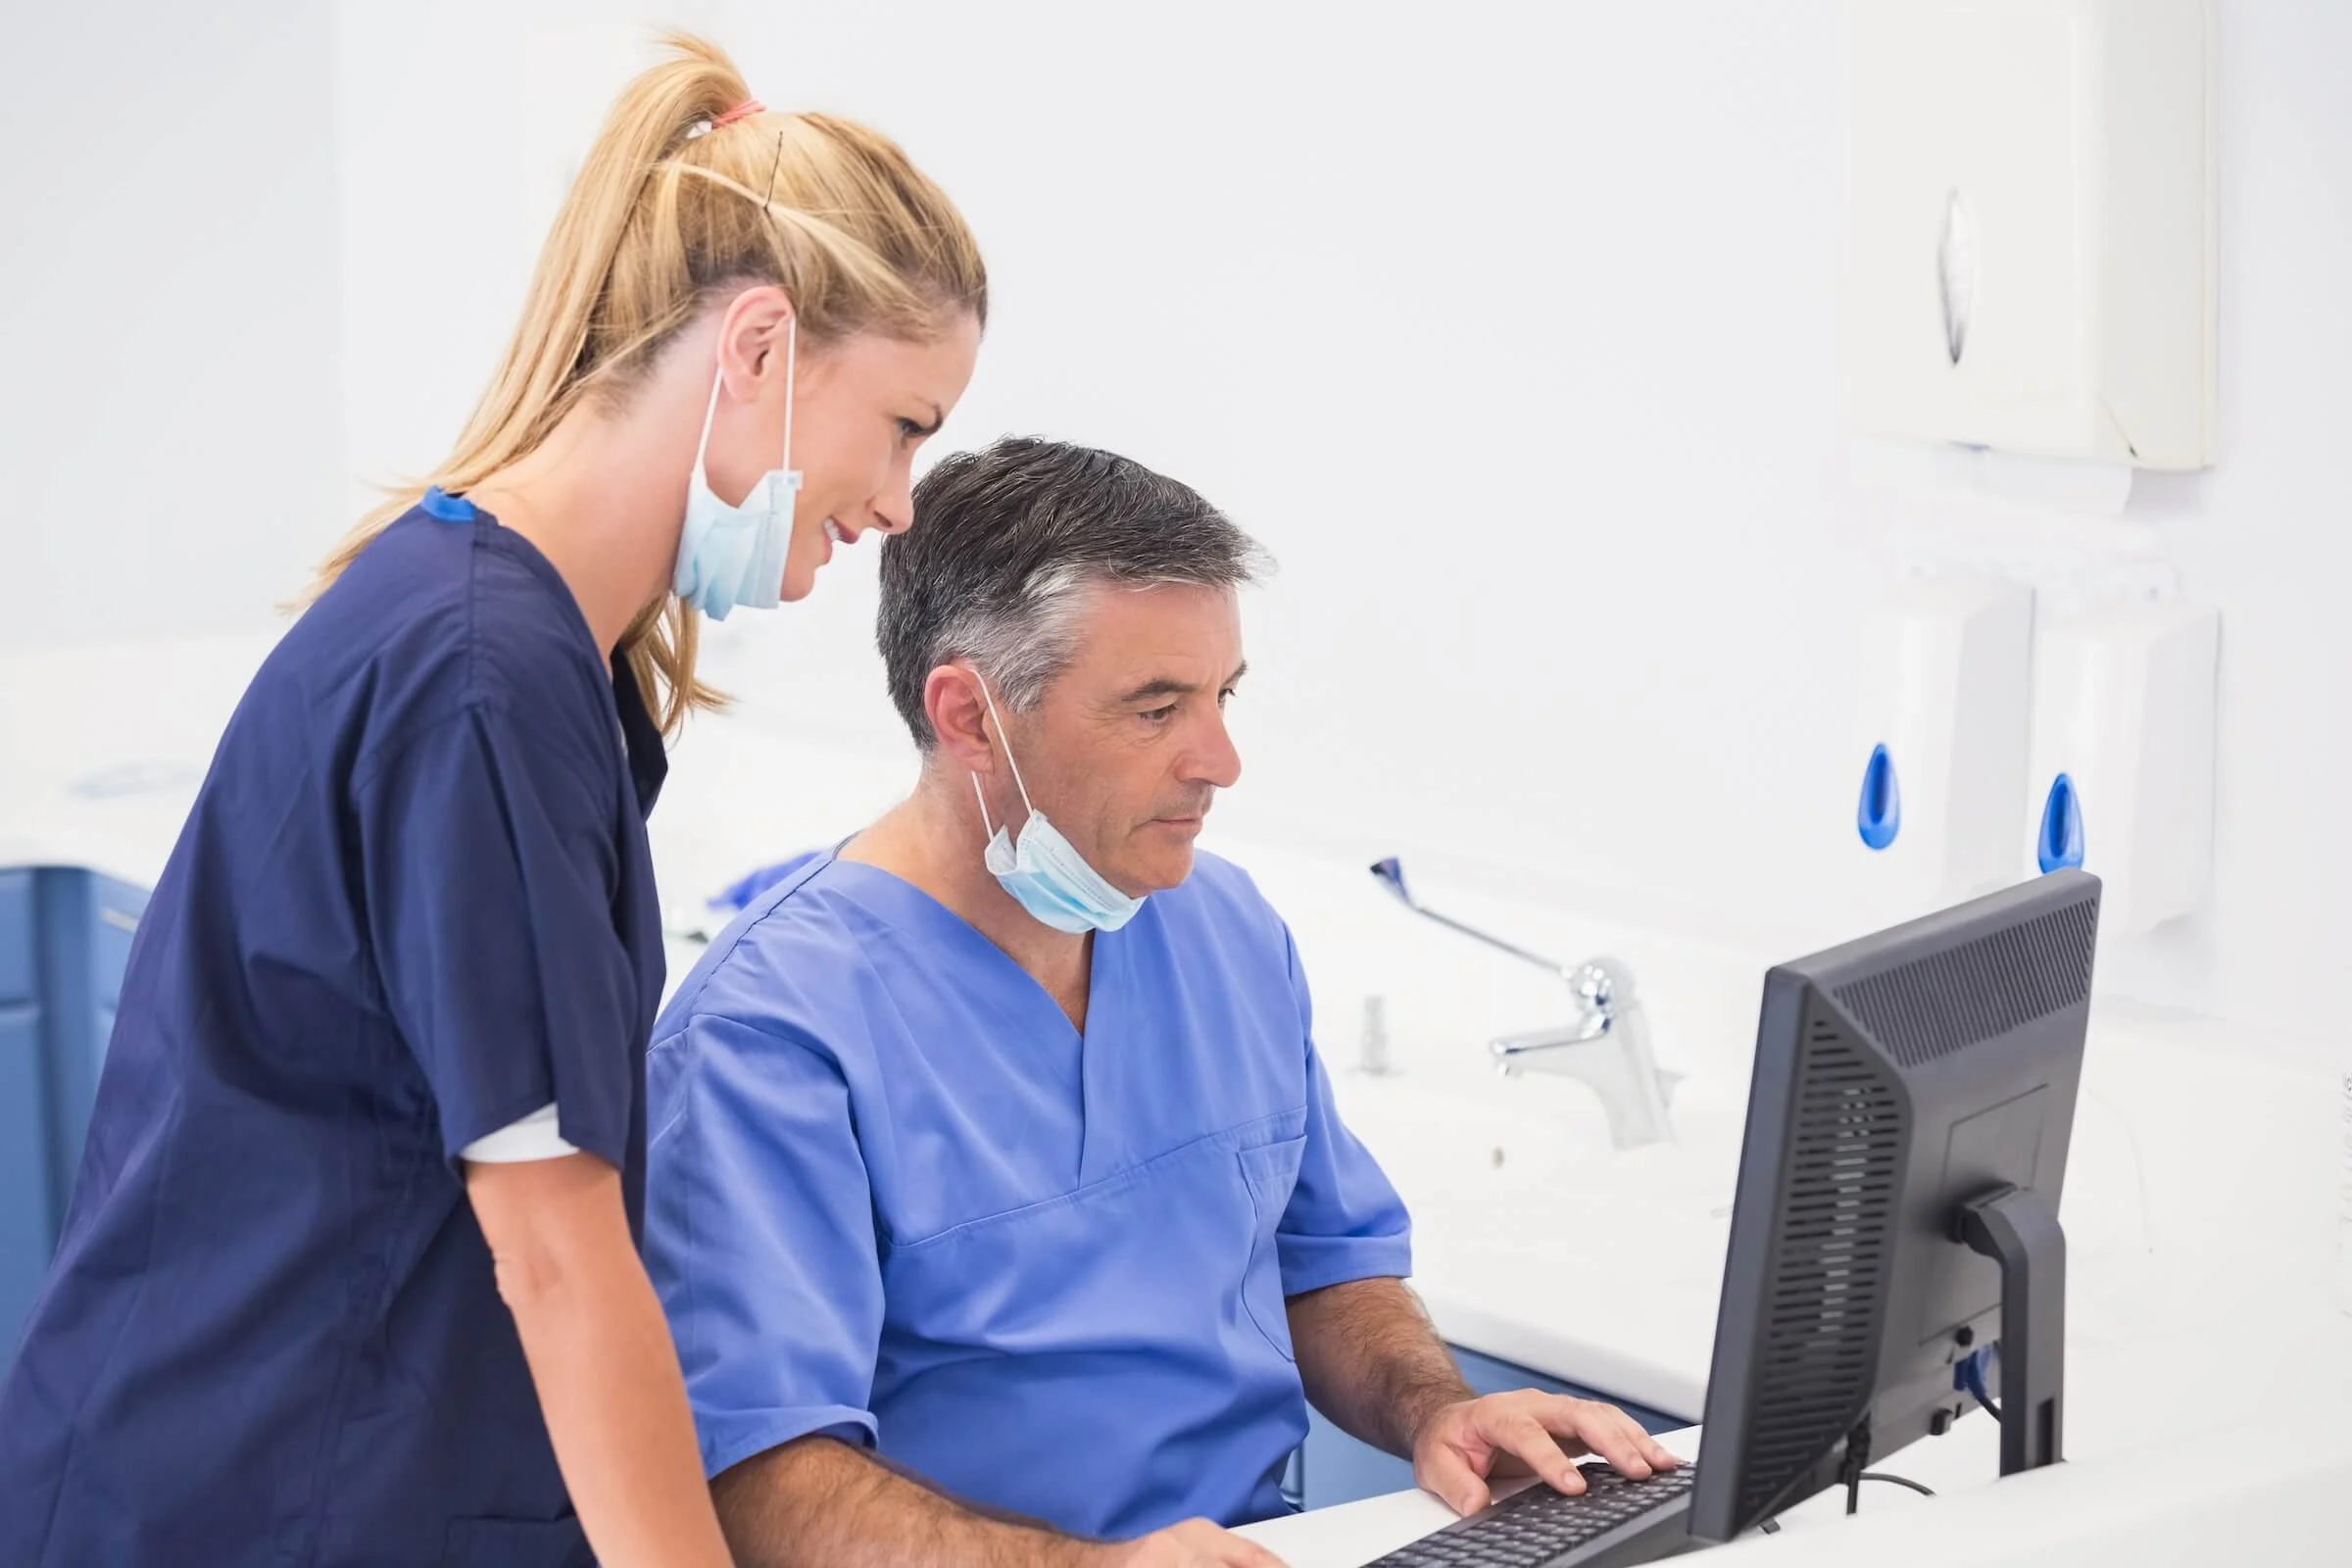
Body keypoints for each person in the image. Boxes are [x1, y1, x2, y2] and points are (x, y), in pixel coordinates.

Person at [0, 33, 983, 1568]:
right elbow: (558, 1256)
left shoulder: (514, 635)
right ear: (760, 349)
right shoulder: (480, 678)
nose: (901, 499)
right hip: (246, 1497)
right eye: (907, 424)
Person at [645, 439, 1681, 1568]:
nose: (1220, 758)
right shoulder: (770, 1036)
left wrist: (1435, 1408)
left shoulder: (1221, 930)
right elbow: (757, 1485)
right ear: (969, 715)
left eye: (1223, 695)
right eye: (1156, 708)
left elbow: (1323, 1261)